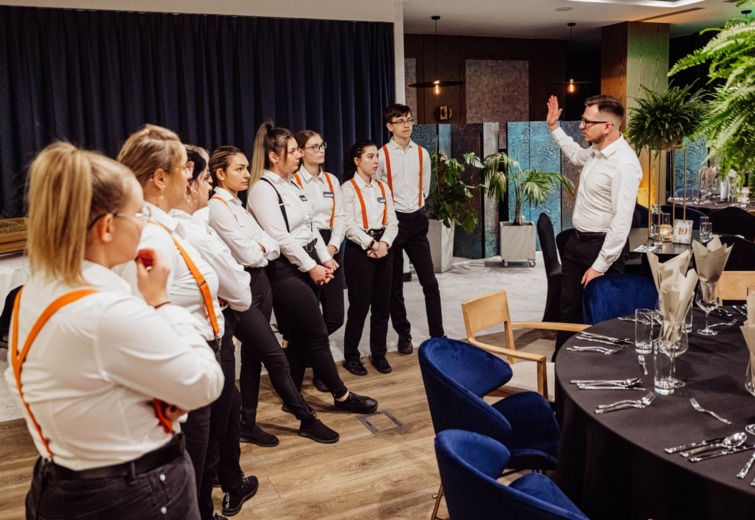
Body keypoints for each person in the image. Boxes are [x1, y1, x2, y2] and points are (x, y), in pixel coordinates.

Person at [7, 142, 223, 519]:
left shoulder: (36, 292)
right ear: (107, 227)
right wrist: (160, 302)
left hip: (58, 480)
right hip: (133, 494)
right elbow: (205, 383)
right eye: (138, 213)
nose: (144, 222)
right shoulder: (107, 311)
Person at [117, 125, 257, 518]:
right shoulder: (153, 238)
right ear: (160, 179)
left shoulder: (168, 229)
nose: (196, 177)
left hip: (198, 352)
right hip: (179, 366)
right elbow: (144, 319)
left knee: (204, 455)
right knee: (192, 464)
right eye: (185, 168)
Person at [207, 145, 339, 446]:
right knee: (276, 358)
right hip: (244, 288)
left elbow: (267, 242)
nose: (245, 173)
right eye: (238, 169)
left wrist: (261, 248)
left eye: (244, 167)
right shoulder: (216, 207)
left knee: (253, 358)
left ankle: (247, 422)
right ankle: (306, 418)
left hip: (260, 282)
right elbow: (249, 251)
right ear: (219, 174)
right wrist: (262, 248)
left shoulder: (238, 205)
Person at [246, 122, 378, 414]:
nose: (297, 156)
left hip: (305, 261)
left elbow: (310, 227)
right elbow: (281, 237)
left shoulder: (292, 184)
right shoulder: (262, 190)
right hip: (283, 270)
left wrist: (324, 258)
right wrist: (310, 267)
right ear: (273, 156)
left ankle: (291, 397)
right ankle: (341, 396)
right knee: (317, 332)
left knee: (296, 335)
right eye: (292, 151)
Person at [173, 146, 259, 519]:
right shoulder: (184, 230)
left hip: (216, 332)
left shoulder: (196, 221)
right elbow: (239, 287)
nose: (209, 188)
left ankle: (231, 482)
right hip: (200, 343)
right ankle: (205, 506)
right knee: (203, 437)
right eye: (206, 179)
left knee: (228, 410)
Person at [546, 95, 642, 351]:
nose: (581, 126)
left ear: (607, 126)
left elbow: (621, 222)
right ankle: (561, 373)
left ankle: (599, 374)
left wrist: (600, 265)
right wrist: (554, 128)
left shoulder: (625, 164)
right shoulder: (596, 152)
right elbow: (577, 156)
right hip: (577, 244)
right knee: (567, 312)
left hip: (602, 249)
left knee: (600, 319)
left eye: (587, 121)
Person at [377, 103, 444, 354]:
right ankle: (403, 334)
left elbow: (424, 187)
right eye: (400, 121)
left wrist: (417, 205)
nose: (406, 125)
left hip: (416, 220)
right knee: (395, 285)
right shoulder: (382, 155)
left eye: (409, 119)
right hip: (393, 222)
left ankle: (438, 333)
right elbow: (378, 188)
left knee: (429, 281)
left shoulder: (422, 154)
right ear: (389, 126)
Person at [293, 129, 346, 391]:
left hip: (331, 247)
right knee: (310, 316)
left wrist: (333, 246)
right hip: (304, 248)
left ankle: (301, 351)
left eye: (322, 145)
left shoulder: (332, 180)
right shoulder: (292, 181)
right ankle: (320, 368)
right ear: (300, 152)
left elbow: (341, 217)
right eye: (314, 147)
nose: (321, 150)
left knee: (335, 316)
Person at [341, 140, 398, 375]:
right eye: (370, 157)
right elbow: (348, 225)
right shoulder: (348, 189)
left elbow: (393, 221)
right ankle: (351, 356)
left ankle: (379, 354)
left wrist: (384, 243)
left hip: (384, 249)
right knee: (359, 307)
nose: (376, 161)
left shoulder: (383, 188)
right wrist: (371, 243)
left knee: (382, 306)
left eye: (377, 157)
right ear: (357, 160)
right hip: (359, 252)